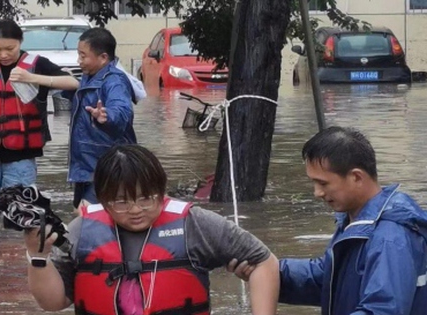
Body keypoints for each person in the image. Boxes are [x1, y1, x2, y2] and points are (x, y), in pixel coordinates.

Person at [25, 144, 280, 315]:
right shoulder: (81, 230)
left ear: (162, 190)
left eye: (147, 198)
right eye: (122, 201)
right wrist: (38, 257)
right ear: (102, 198)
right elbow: (53, 303)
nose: (136, 209)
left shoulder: (195, 224)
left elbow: (264, 262)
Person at [235, 126, 427, 314]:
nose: (317, 193)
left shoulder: (390, 238)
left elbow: (382, 310)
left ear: (356, 177)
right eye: (314, 182)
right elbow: (329, 278)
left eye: (323, 183)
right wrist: (269, 270)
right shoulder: (356, 220)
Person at [0, 19, 79, 211]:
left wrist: (34, 78)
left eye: (10, 48)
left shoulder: (37, 65)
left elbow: (74, 83)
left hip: (21, 155)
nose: (3, 55)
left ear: (21, 41)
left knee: (17, 214)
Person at [69, 28, 138, 211]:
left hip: (109, 167)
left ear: (103, 58)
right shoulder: (88, 77)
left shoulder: (114, 81)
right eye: (79, 55)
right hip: (86, 166)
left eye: (83, 56)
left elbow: (122, 111)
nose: (79, 61)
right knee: (83, 213)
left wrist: (106, 117)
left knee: (87, 214)